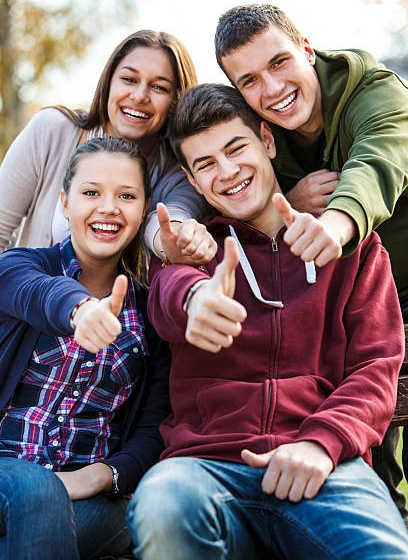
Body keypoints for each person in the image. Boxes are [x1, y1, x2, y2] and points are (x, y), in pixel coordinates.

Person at [126, 84, 408, 560]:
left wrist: (322, 443)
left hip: (323, 463)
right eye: (206, 164)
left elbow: (377, 368)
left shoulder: (353, 247)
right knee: (162, 507)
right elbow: (169, 297)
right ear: (193, 184)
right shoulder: (191, 255)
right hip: (204, 467)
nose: (228, 172)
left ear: (268, 141)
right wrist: (196, 298)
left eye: (236, 149)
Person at [214, 3, 408, 515]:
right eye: (250, 80)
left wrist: (335, 226)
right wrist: (287, 207)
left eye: (279, 63)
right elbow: (215, 171)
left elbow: (377, 162)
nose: (272, 89)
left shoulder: (375, 91)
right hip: (336, 305)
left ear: (305, 49)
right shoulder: (258, 130)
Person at [0, 136, 170, 560]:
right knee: (37, 492)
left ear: (143, 210)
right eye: (91, 193)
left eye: (126, 196)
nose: (108, 207)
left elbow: (152, 433)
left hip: (89, 496)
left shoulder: (151, 315)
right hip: (6, 474)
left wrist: (99, 477)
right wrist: (79, 311)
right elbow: (37, 293)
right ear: (64, 202)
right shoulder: (20, 267)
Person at [0, 29, 215, 267]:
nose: (139, 95)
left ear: (176, 100)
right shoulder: (52, 131)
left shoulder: (180, 173)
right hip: (31, 299)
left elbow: (170, 219)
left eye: (159, 88)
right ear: (109, 82)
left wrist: (174, 238)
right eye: (129, 79)